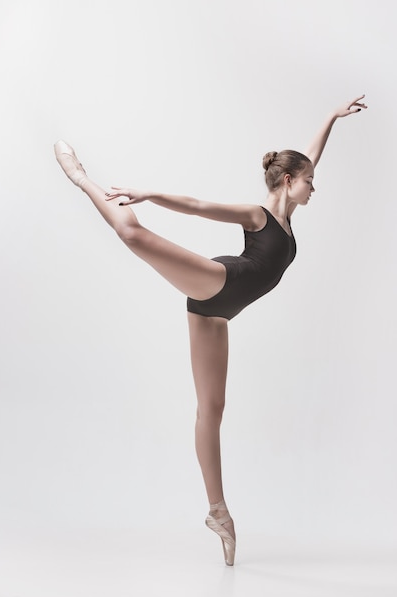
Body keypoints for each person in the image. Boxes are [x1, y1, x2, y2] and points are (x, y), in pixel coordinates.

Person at [54, 95, 367, 566]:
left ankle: (218, 513)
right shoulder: (258, 215)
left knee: (212, 409)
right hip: (222, 281)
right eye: (309, 182)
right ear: (288, 181)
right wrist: (150, 194)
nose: (313, 188)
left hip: (219, 314)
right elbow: (201, 206)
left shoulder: (288, 215)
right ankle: (82, 179)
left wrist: (330, 118)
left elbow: (311, 154)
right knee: (134, 234)